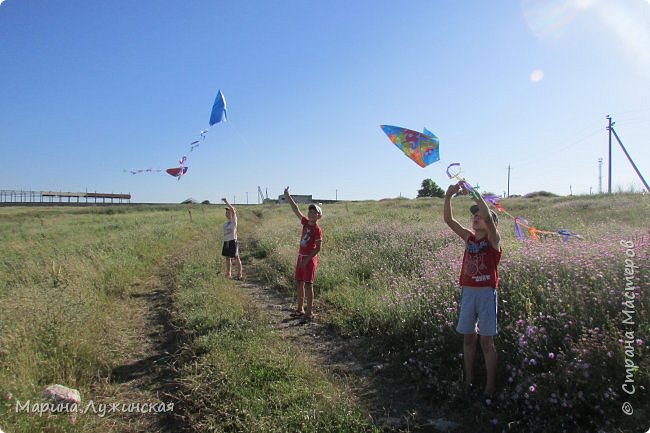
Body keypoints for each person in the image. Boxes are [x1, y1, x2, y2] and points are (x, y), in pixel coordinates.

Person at [443, 182, 501, 400]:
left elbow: (486, 213)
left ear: (491, 224)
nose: (477, 218)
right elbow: (449, 221)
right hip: (468, 293)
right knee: (468, 339)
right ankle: (469, 380)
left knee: (486, 342)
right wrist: (448, 196)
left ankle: (490, 386)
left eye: (482, 217)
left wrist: (476, 195)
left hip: (486, 294)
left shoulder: (494, 241)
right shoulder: (468, 238)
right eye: (474, 216)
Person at [284, 187, 323, 319]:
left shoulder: (317, 230)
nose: (311, 214)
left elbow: (318, 248)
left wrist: (307, 260)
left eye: (314, 212)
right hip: (301, 257)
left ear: (319, 216)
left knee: (308, 284)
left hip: (310, 260)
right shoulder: (305, 222)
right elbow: (296, 210)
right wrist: (288, 197)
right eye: (310, 211)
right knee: (299, 282)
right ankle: (300, 309)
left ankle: (309, 312)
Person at [221, 198, 243, 279]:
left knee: (236, 257)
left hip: (233, 241)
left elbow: (233, 210)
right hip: (226, 242)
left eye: (228, 212)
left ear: (232, 213)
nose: (227, 213)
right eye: (226, 212)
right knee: (227, 258)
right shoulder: (225, 223)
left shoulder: (234, 220)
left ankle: (240, 274)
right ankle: (228, 274)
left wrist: (226, 202)